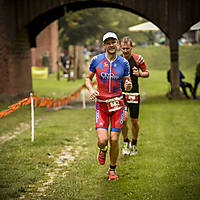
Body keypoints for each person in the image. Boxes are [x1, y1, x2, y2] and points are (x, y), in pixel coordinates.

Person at [85, 32, 132, 180]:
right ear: (104, 45)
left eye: (114, 42)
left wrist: (129, 85)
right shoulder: (96, 60)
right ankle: (103, 149)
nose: (111, 45)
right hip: (102, 106)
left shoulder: (124, 63)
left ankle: (112, 170)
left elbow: (127, 84)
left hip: (117, 105)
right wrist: (92, 89)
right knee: (103, 140)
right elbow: (88, 78)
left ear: (117, 43)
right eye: (108, 42)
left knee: (114, 139)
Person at [120, 36, 149, 156]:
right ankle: (126, 140)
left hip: (134, 94)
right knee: (123, 119)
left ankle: (134, 143)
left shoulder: (138, 59)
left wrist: (140, 74)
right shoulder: (117, 60)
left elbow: (147, 73)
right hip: (121, 94)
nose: (125, 51)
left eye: (127, 48)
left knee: (134, 121)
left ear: (132, 47)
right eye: (123, 48)